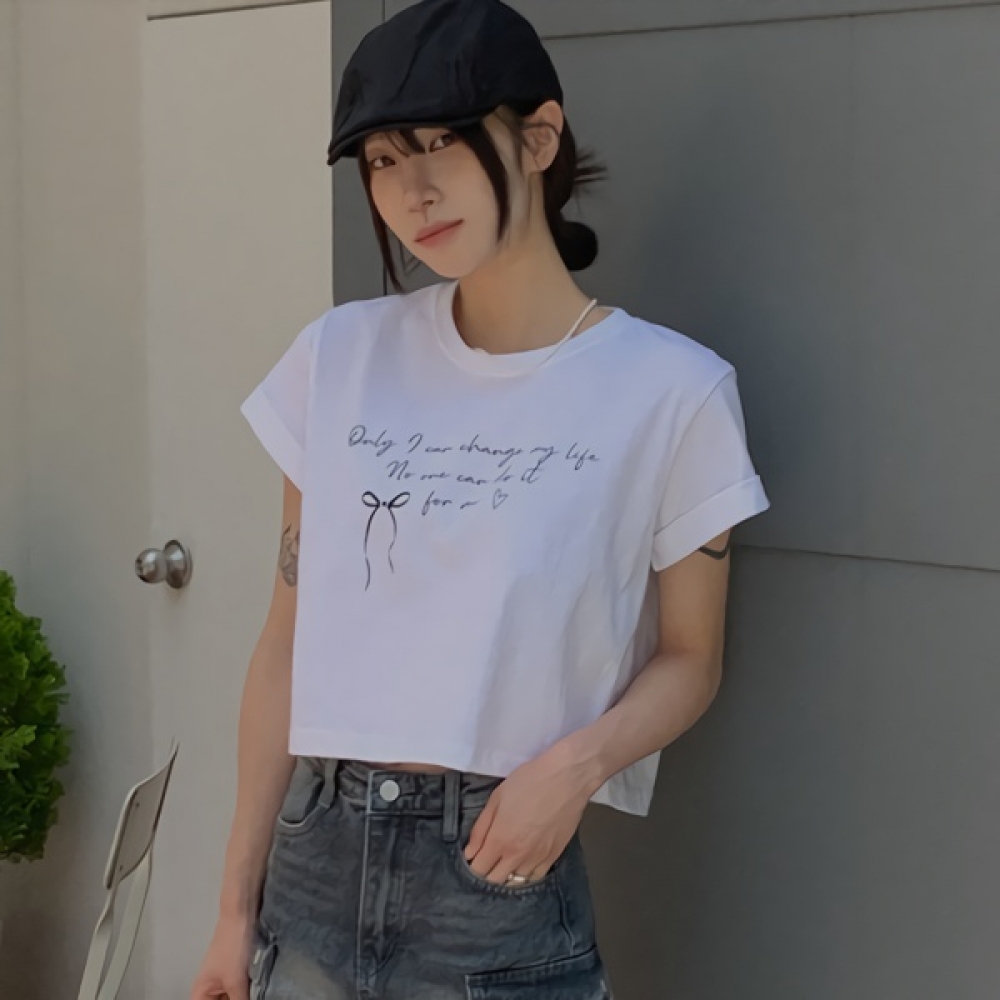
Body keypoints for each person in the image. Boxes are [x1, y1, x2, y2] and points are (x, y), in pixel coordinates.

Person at [190, 1, 771, 997]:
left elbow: (691, 657)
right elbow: (285, 644)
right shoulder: (338, 358)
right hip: (313, 861)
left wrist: (574, 768)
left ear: (538, 137)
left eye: (440, 144)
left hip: (497, 879)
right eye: (381, 159)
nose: (411, 190)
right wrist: (232, 910)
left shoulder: (671, 392)